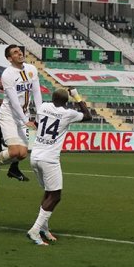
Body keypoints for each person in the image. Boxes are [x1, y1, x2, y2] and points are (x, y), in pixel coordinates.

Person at [26, 88, 91, 246]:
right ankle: (35, 230)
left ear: (52, 97)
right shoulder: (68, 113)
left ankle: (43, 228)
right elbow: (88, 116)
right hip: (49, 159)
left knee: (49, 192)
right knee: (55, 196)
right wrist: (76, 96)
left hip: (35, 156)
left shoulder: (43, 107)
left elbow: (36, 123)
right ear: (66, 101)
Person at [0, 45, 42, 188]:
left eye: (20, 51)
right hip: (9, 116)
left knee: (21, 154)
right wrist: (26, 121)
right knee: (14, 150)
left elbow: (37, 94)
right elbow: (14, 102)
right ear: (9, 58)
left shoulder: (31, 69)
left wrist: (40, 115)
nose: (20, 53)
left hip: (23, 115)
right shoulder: (8, 74)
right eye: (15, 52)